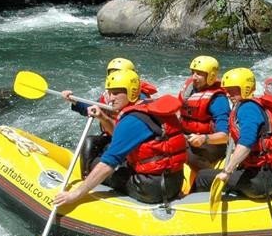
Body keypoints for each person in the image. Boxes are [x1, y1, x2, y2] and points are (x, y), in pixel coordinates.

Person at [54, 69, 187, 206]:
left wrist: (74, 195)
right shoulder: (151, 106)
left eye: (116, 93)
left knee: (95, 163)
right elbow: (122, 135)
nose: (111, 98)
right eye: (110, 93)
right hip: (175, 182)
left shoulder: (132, 120)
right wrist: (103, 117)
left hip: (150, 189)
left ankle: (86, 185)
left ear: (132, 92)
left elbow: (107, 165)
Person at [194, 68, 272, 199]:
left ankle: (199, 212)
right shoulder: (257, 104)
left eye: (232, 90)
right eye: (227, 90)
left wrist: (227, 172)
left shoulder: (248, 108)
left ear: (244, 88)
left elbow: (247, 142)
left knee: (202, 177)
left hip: (259, 181)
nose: (228, 94)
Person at [61, 57, 159, 177]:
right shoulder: (110, 95)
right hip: (112, 136)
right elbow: (91, 108)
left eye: (119, 73)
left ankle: (106, 176)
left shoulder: (139, 98)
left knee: (107, 151)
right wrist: (75, 101)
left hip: (131, 142)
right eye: (112, 74)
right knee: (90, 142)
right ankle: (87, 176)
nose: (115, 77)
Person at [178, 55, 230, 170]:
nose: (194, 77)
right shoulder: (189, 90)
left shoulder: (218, 99)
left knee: (186, 155)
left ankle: (207, 178)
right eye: (193, 72)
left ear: (210, 76)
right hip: (188, 137)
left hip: (211, 144)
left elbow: (225, 136)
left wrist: (204, 138)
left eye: (199, 73)